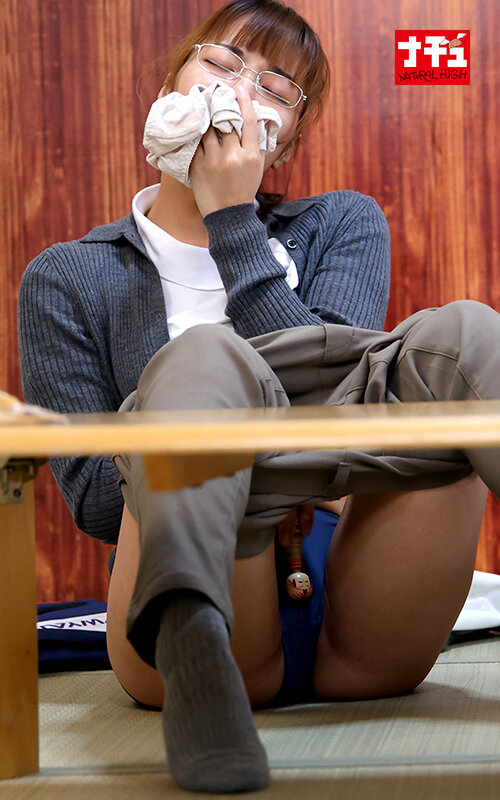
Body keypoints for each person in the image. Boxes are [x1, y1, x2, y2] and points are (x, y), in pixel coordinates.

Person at [17, 0, 500, 794]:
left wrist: (232, 222)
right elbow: (100, 502)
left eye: (276, 86)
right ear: (169, 87)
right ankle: (197, 666)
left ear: (288, 139)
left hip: (369, 607)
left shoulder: (342, 224)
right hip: (193, 609)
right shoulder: (68, 278)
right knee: (201, 358)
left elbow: (344, 406)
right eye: (220, 64)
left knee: (469, 333)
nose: (240, 93)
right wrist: (252, 458)